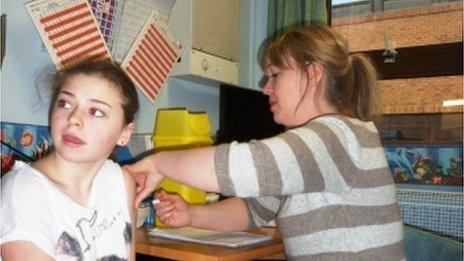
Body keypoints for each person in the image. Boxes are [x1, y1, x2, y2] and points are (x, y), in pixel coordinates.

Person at [126, 26, 405, 260]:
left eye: (275, 74)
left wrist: (159, 162)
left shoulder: (336, 138)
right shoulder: (324, 145)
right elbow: (251, 211)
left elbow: (239, 167)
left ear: (313, 73)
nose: (266, 87)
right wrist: (192, 215)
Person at [1, 61, 139, 260]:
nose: (74, 118)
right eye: (65, 103)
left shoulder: (120, 182)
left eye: (96, 111)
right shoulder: (24, 192)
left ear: (124, 133)